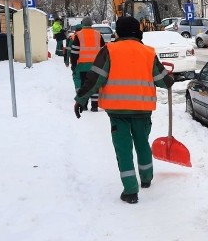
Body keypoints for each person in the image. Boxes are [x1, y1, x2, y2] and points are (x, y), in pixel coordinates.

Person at [74, 16, 174, 204]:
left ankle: (130, 191)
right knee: (142, 143)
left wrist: (81, 99)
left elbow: (95, 79)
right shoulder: (148, 52)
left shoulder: (109, 51)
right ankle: (146, 178)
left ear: (118, 32)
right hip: (142, 110)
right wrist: (169, 79)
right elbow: (163, 80)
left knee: (124, 149)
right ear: (138, 32)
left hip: (118, 111)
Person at [70, 17, 104, 112]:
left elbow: (75, 52)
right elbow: (103, 50)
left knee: (84, 85)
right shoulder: (98, 35)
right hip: (96, 65)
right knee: (95, 85)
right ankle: (94, 106)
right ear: (91, 24)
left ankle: (84, 105)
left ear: (83, 24)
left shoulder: (79, 35)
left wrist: (73, 64)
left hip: (82, 65)